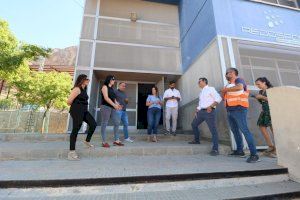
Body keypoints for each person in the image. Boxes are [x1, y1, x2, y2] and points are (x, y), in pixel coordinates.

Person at [221, 68, 260, 163]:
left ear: (234, 73)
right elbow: (224, 98)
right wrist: (224, 91)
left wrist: (225, 90)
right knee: (235, 131)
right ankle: (239, 151)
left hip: (239, 109)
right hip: (230, 110)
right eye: (226, 73)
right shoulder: (228, 85)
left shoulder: (239, 80)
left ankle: (254, 155)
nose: (227, 74)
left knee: (245, 130)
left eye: (229, 72)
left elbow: (239, 87)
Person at [189, 78, 222, 156]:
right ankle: (197, 140)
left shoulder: (211, 89)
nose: (198, 83)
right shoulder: (201, 92)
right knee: (194, 124)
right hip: (201, 112)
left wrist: (211, 107)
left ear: (204, 81)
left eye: (199, 81)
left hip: (209, 112)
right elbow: (201, 103)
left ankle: (215, 149)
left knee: (213, 130)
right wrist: (197, 110)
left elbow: (219, 98)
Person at [67, 74, 97, 161]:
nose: (88, 80)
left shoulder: (84, 89)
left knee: (93, 124)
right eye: (87, 79)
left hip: (84, 111)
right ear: (82, 80)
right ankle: (71, 152)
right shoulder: (77, 89)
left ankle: (87, 141)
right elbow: (68, 102)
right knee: (75, 130)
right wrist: (77, 104)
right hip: (76, 111)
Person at [254, 77, 276, 158]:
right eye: (256, 85)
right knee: (261, 126)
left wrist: (262, 97)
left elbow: (274, 100)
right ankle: (271, 146)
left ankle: (277, 150)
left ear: (264, 82)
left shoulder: (271, 90)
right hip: (265, 111)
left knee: (274, 130)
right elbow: (262, 102)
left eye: (258, 84)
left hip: (272, 111)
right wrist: (258, 98)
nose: (257, 86)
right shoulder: (260, 91)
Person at [100, 75, 123, 148]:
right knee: (105, 123)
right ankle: (104, 142)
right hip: (105, 107)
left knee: (117, 122)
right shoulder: (104, 87)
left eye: (114, 79)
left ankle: (116, 140)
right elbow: (106, 98)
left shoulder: (112, 89)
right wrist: (114, 105)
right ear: (109, 80)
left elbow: (114, 99)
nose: (114, 80)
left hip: (112, 107)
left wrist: (118, 105)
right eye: (113, 79)